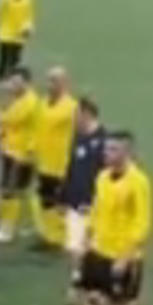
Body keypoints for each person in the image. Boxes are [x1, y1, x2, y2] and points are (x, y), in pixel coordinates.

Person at [66, 131, 153, 305]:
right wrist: (85, 240)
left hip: (123, 257)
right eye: (106, 149)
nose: (106, 154)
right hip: (98, 253)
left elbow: (142, 223)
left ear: (127, 153)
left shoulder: (139, 182)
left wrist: (125, 257)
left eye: (112, 150)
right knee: (81, 303)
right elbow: (97, 210)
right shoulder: (103, 177)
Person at [0, 67, 40, 243]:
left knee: (10, 191)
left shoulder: (29, 102)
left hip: (20, 154)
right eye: (12, 82)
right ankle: (20, 225)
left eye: (17, 82)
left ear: (27, 82)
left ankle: (6, 230)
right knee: (18, 191)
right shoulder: (18, 99)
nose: (13, 86)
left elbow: (8, 119)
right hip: (13, 150)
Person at [31, 67, 78, 251]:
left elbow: (78, 133)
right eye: (49, 80)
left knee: (59, 202)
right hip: (44, 161)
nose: (50, 84)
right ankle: (51, 236)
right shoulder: (42, 103)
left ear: (65, 83)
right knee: (45, 200)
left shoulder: (71, 107)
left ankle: (61, 237)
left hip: (61, 162)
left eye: (55, 80)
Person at [61, 97, 106, 270]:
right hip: (75, 204)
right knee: (74, 248)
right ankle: (77, 281)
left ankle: (93, 284)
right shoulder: (77, 137)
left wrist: (96, 202)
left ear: (87, 114)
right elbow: (70, 168)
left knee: (93, 249)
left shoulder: (105, 142)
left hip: (94, 207)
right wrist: (63, 197)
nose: (73, 119)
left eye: (76, 114)